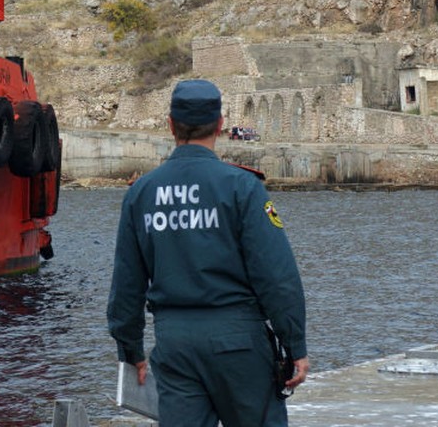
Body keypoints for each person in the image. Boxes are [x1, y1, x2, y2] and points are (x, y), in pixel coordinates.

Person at [107, 79, 308, 427]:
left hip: (175, 345)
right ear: (220, 125)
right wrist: (295, 345)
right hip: (239, 342)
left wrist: (131, 351)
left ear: (170, 125)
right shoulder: (242, 187)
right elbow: (276, 275)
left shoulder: (141, 193)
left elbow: (127, 284)